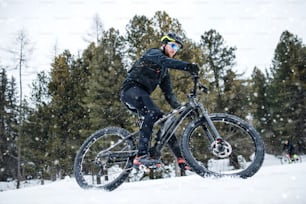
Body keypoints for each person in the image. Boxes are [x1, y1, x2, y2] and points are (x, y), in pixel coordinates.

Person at [120, 33, 199, 169]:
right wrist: (188, 66)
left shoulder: (164, 72)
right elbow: (164, 61)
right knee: (153, 111)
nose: (175, 50)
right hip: (130, 89)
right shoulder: (153, 53)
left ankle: (181, 158)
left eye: (177, 48)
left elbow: (169, 95)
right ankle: (141, 155)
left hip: (142, 95)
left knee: (166, 122)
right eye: (173, 45)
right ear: (164, 44)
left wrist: (183, 110)